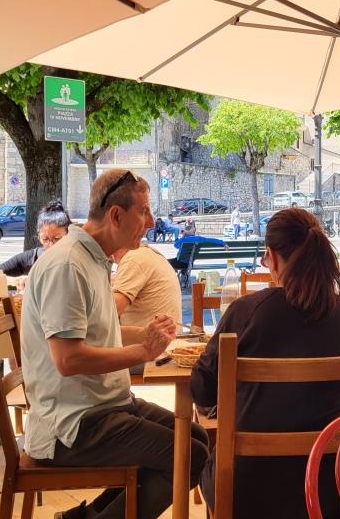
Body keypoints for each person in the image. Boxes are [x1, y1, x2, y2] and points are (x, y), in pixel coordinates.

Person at [22, 169, 208, 519]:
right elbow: (68, 360)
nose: (151, 222)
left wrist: (149, 333)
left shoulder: (93, 259)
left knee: (197, 439)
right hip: (72, 426)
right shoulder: (68, 265)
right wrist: (144, 352)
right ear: (116, 215)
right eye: (144, 211)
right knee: (189, 455)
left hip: (103, 407)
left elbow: (100, 331)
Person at [190, 207, 340, 519]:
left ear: (271, 255)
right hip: (327, 489)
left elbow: (202, 390)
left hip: (248, 488)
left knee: (201, 455)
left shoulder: (247, 311)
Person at [0, 201, 71, 289]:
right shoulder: (31, 258)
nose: (51, 245)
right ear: (39, 237)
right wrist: (15, 281)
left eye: (57, 238)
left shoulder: (75, 260)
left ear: (69, 235)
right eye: (45, 239)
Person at [113, 244, 183, 330]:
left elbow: (112, 311)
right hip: (167, 335)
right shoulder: (147, 253)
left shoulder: (133, 259)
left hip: (155, 336)